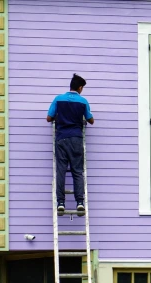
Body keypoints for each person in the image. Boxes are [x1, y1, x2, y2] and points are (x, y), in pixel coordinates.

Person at [46, 74, 94, 216]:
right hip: (76, 139)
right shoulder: (83, 101)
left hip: (61, 138)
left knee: (61, 171)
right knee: (77, 171)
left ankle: (60, 203)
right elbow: (91, 120)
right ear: (79, 88)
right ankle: (80, 202)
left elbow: (49, 118)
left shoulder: (58, 99)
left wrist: (60, 117)